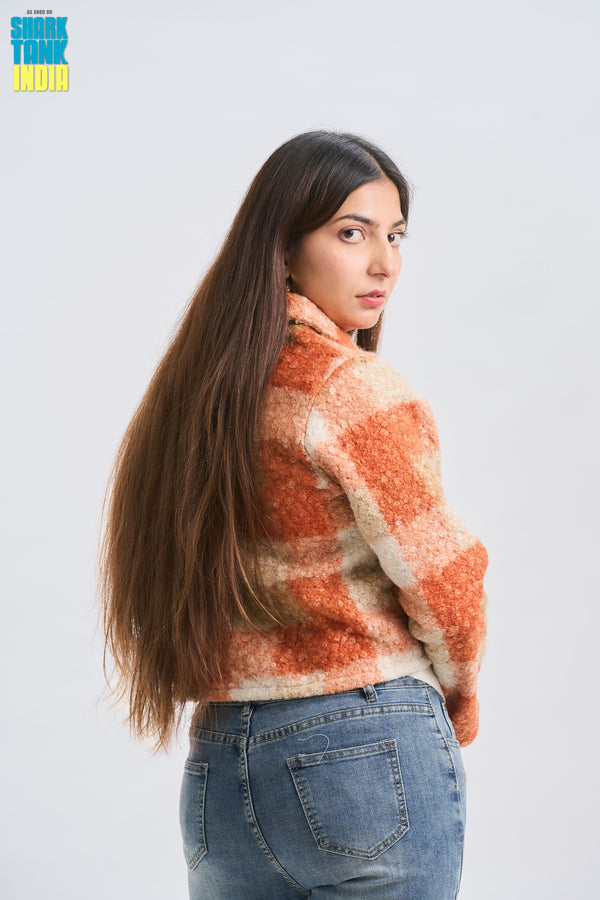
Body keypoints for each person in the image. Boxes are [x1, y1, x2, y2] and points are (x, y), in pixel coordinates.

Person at [98, 130, 488, 899]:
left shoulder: (199, 397)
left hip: (221, 761)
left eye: (395, 235)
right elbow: (445, 580)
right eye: (353, 233)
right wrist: (460, 698)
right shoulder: (350, 387)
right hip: (366, 742)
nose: (385, 262)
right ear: (282, 248)